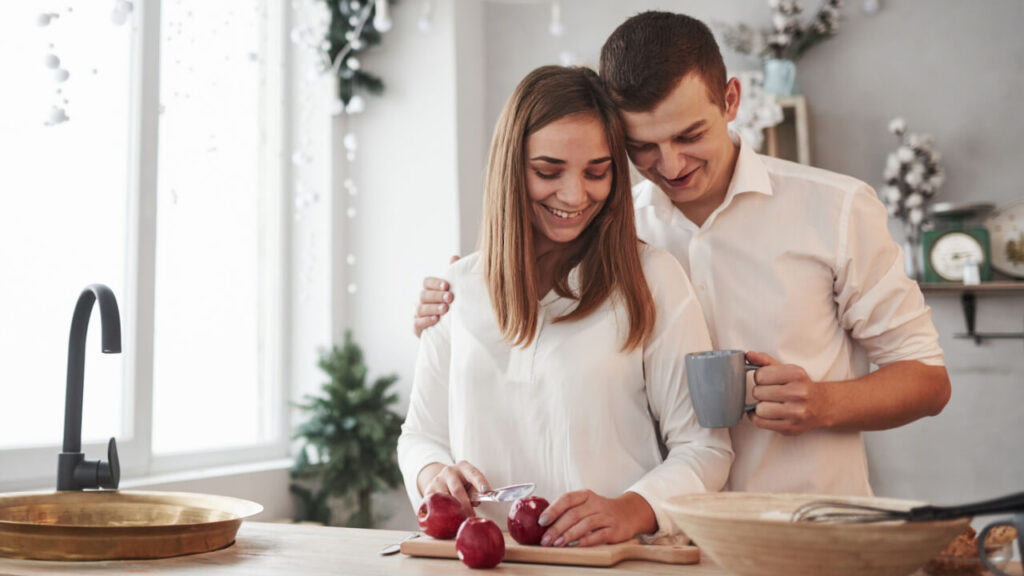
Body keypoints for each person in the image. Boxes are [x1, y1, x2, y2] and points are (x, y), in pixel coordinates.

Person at [414, 12, 950, 497]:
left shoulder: (835, 209)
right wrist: (460, 297)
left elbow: (927, 379)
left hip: (804, 527)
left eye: (690, 134)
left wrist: (824, 402)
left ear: (731, 100)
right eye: (641, 147)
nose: (669, 165)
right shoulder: (608, 229)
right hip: (672, 544)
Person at [397, 65, 732, 549]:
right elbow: (419, 436)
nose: (575, 195)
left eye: (597, 172)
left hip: (607, 563)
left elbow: (706, 449)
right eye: (548, 171)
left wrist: (631, 510)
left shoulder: (652, 280)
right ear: (511, 167)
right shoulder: (457, 288)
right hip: (484, 564)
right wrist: (433, 475)